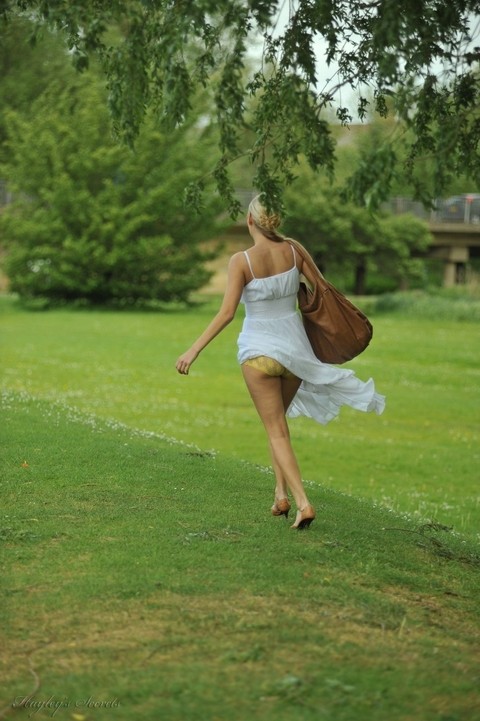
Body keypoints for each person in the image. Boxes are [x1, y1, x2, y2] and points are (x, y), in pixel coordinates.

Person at [176, 194, 385, 530]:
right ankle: (280, 495)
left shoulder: (241, 260)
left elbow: (227, 312)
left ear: (249, 222)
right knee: (279, 429)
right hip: (295, 350)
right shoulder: (294, 250)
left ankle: (302, 503)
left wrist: (193, 349)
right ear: (274, 221)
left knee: (275, 431)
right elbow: (321, 289)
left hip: (258, 351)